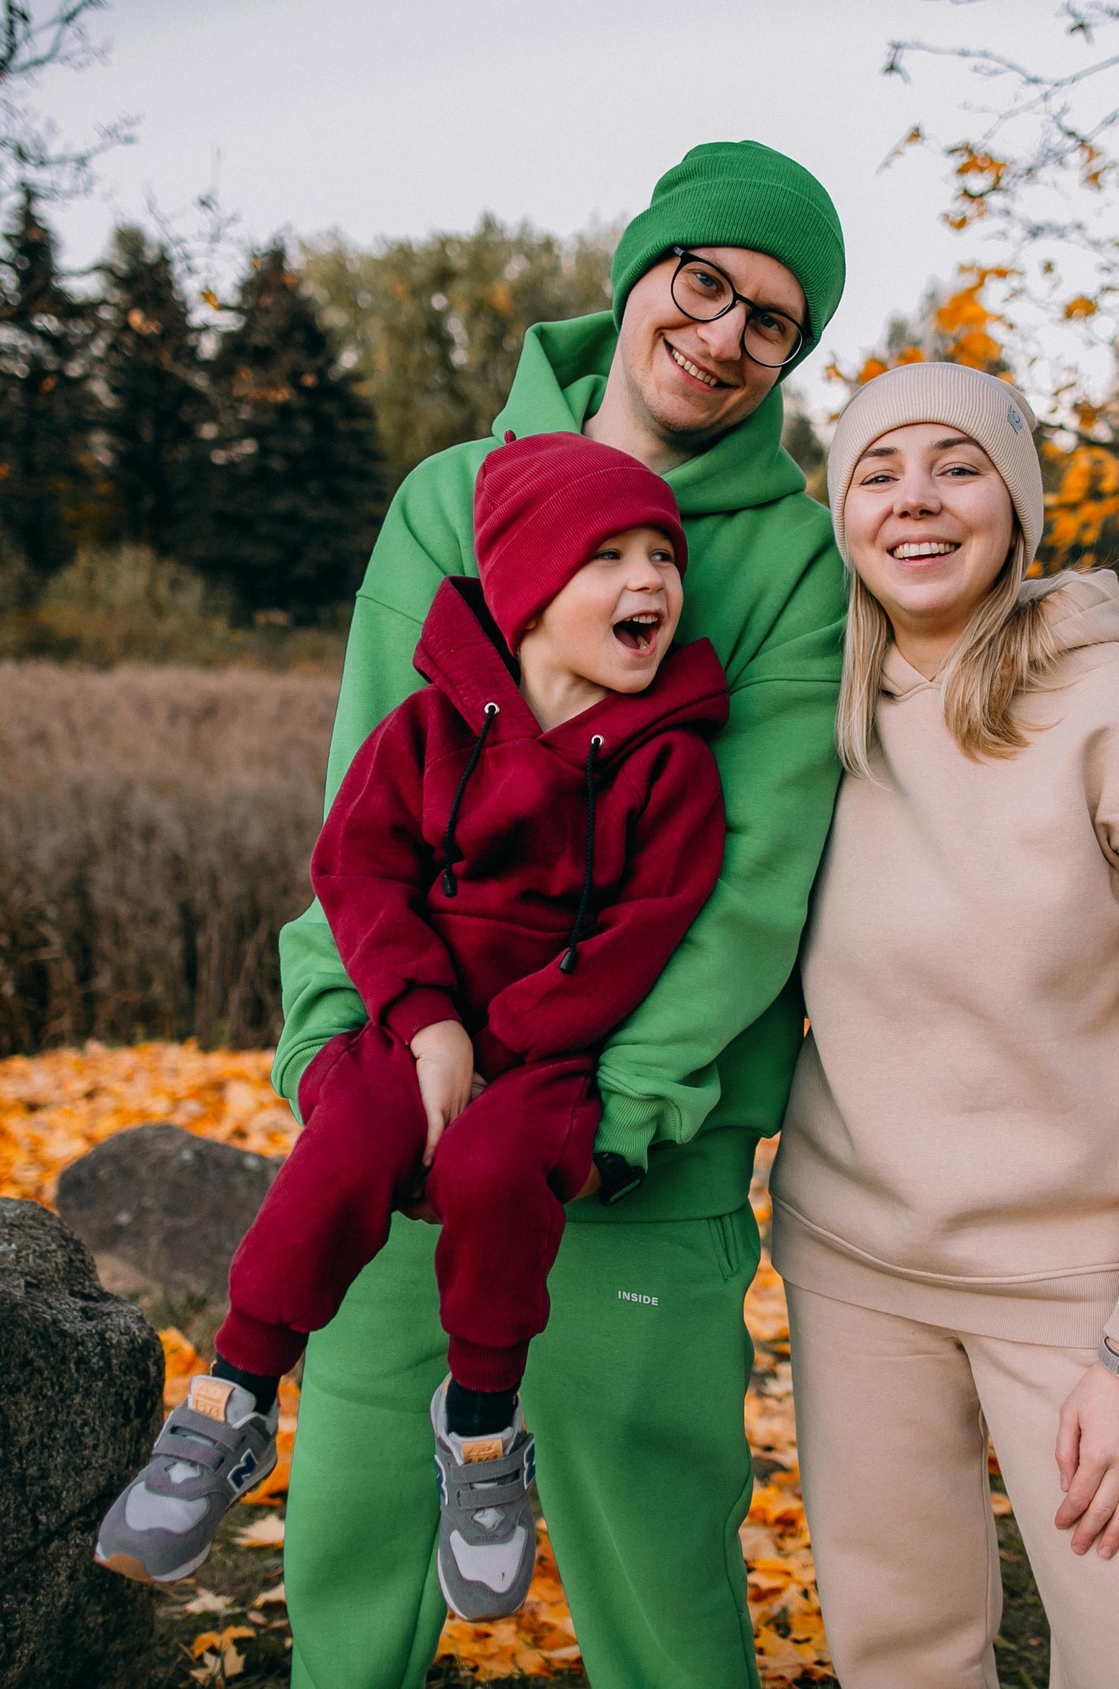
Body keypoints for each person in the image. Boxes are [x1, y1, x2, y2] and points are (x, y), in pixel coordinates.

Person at [268, 141, 849, 1689]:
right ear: (641, 269)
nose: (724, 332)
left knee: (653, 1554)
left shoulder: (794, 554)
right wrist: (343, 1041)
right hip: (420, 1089)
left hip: (634, 1137)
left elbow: (751, 877)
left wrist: (620, 1102)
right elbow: (360, 811)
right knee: (349, 1527)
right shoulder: (450, 497)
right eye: (705, 279)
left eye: (774, 321)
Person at [94, 432, 728, 1619]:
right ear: (531, 588)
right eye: (610, 558)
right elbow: (359, 871)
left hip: (551, 1052)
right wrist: (429, 1024)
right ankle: (231, 1399)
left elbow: (648, 928)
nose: (650, 581)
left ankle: (482, 1430)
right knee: (350, 1133)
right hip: (415, 1020)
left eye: (664, 558)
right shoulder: (431, 733)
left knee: (496, 1168)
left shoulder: (671, 768)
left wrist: (512, 1048)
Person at [770, 362, 1119, 1687]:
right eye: (877, 470)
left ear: (1019, 503)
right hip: (856, 1270)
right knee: (905, 1656)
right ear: (841, 510)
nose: (915, 501)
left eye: (958, 464)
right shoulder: (818, 715)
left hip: (1085, 1296)